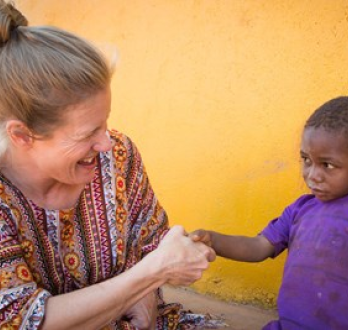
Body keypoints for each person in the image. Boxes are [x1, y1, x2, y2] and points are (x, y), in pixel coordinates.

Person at [0, 1, 217, 329]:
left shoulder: (118, 156)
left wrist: (152, 284)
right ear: (22, 135)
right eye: (88, 133)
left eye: (106, 123)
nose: (106, 143)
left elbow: (150, 240)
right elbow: (24, 321)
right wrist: (151, 274)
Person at [191, 96, 348, 329]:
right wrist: (214, 240)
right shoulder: (301, 209)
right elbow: (260, 246)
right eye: (306, 160)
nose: (312, 175)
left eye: (327, 165)